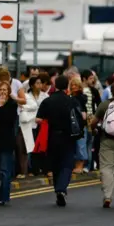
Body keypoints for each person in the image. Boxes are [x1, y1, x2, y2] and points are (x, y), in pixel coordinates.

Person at [36, 75, 83, 207]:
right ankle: (61, 189)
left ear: (55, 85)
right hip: (68, 137)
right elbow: (81, 118)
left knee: (56, 165)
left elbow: (38, 119)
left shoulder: (48, 101)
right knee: (67, 165)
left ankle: (58, 190)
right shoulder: (72, 101)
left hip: (52, 137)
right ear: (67, 86)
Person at [17, 76, 49, 177]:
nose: (40, 85)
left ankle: (38, 169)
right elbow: (22, 109)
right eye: (37, 83)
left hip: (42, 125)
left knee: (39, 148)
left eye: (41, 83)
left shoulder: (45, 96)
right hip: (29, 125)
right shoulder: (26, 96)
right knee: (28, 148)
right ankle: (28, 170)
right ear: (31, 85)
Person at [68, 78, 87, 174]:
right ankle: (76, 165)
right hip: (72, 125)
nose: (73, 87)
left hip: (80, 125)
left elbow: (83, 113)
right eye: (72, 85)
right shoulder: (70, 97)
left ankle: (80, 166)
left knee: (80, 146)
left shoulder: (81, 97)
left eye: (75, 85)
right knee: (74, 146)